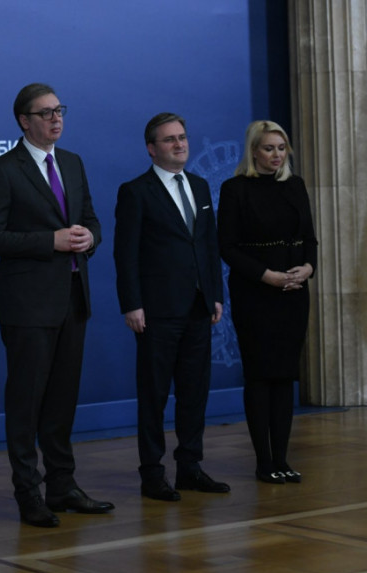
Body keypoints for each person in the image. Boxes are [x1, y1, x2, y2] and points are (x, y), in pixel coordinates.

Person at [0, 83, 113, 527]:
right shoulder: (3, 170)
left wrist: (90, 238)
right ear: (24, 121)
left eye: (60, 110)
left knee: (62, 401)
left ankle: (62, 486)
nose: (57, 119)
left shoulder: (72, 162)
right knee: (26, 403)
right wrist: (48, 241)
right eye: (46, 113)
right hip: (27, 305)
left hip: (73, 298)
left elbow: (90, 219)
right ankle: (28, 493)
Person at [113, 113, 230, 503]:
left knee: (195, 393)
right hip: (157, 312)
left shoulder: (199, 186)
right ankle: (152, 473)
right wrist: (132, 304)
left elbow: (208, 246)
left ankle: (190, 468)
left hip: (198, 307)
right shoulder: (136, 192)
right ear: (151, 148)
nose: (179, 144)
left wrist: (215, 294)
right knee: (154, 396)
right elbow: (125, 254)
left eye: (182, 137)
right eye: (169, 140)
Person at [217, 120, 317, 484]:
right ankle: (264, 462)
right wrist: (267, 276)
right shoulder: (235, 189)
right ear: (253, 151)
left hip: (294, 293)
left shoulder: (295, 185)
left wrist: (308, 268)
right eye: (269, 148)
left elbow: (309, 239)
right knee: (260, 376)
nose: (277, 155)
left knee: (285, 376)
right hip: (256, 293)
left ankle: (282, 459)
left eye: (281, 148)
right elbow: (227, 247)